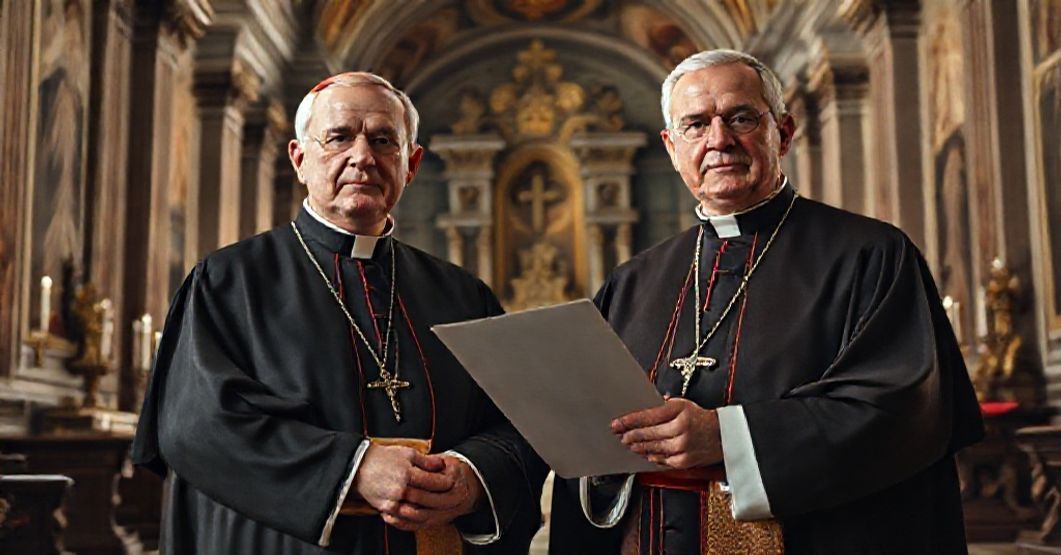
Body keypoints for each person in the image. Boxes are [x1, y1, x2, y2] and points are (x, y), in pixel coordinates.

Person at [549, 49, 984, 554]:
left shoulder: (871, 255)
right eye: (695, 125)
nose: (719, 140)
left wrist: (727, 438)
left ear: (784, 131)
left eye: (740, 117)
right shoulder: (633, 281)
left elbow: (903, 410)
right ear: (671, 147)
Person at [132, 72, 546, 554]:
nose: (363, 157)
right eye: (339, 137)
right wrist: (352, 468)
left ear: (410, 164)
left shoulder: (462, 295)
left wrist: (472, 476)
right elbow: (197, 425)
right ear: (299, 158)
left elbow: (522, 422)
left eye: (383, 140)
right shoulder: (229, 282)